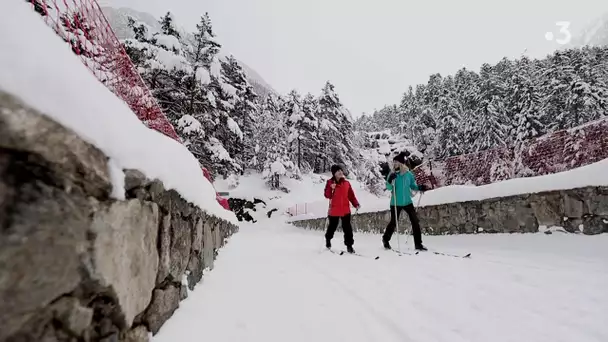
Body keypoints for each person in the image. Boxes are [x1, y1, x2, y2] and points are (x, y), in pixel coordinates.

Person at [382, 152, 429, 251]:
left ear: (402, 163)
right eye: (394, 162)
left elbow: (413, 186)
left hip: (407, 202)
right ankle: (385, 239)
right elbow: (389, 187)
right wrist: (390, 180)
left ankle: (418, 244)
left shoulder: (408, 174)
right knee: (393, 222)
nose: (394, 164)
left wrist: (420, 187)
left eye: (396, 162)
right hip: (395, 202)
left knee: (415, 221)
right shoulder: (392, 174)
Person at [324, 164, 360, 253]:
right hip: (334, 210)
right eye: (338, 171)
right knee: (332, 227)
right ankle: (328, 239)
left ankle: (349, 245)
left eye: (341, 170)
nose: (340, 172)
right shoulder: (330, 183)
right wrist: (330, 188)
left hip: (345, 210)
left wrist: (356, 204)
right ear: (334, 173)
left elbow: (351, 195)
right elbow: (327, 195)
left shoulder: (346, 183)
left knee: (347, 229)